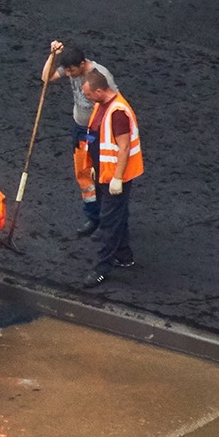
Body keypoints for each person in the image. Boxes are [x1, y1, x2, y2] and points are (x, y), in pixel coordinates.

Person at [43, 39, 117, 236]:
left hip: (98, 132)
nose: (68, 75)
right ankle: (93, 217)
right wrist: (53, 56)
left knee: (102, 176)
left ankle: (107, 221)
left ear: (82, 64)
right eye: (66, 71)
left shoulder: (101, 76)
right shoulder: (71, 67)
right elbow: (46, 78)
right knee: (83, 173)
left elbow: (113, 105)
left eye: (71, 71)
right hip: (80, 129)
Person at [80, 70, 143, 285]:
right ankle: (123, 255)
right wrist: (95, 166)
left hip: (115, 178)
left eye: (88, 94)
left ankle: (102, 267)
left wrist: (117, 178)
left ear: (99, 91)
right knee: (118, 216)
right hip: (104, 173)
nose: (87, 97)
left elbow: (124, 147)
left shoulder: (118, 113)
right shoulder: (102, 105)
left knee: (109, 222)